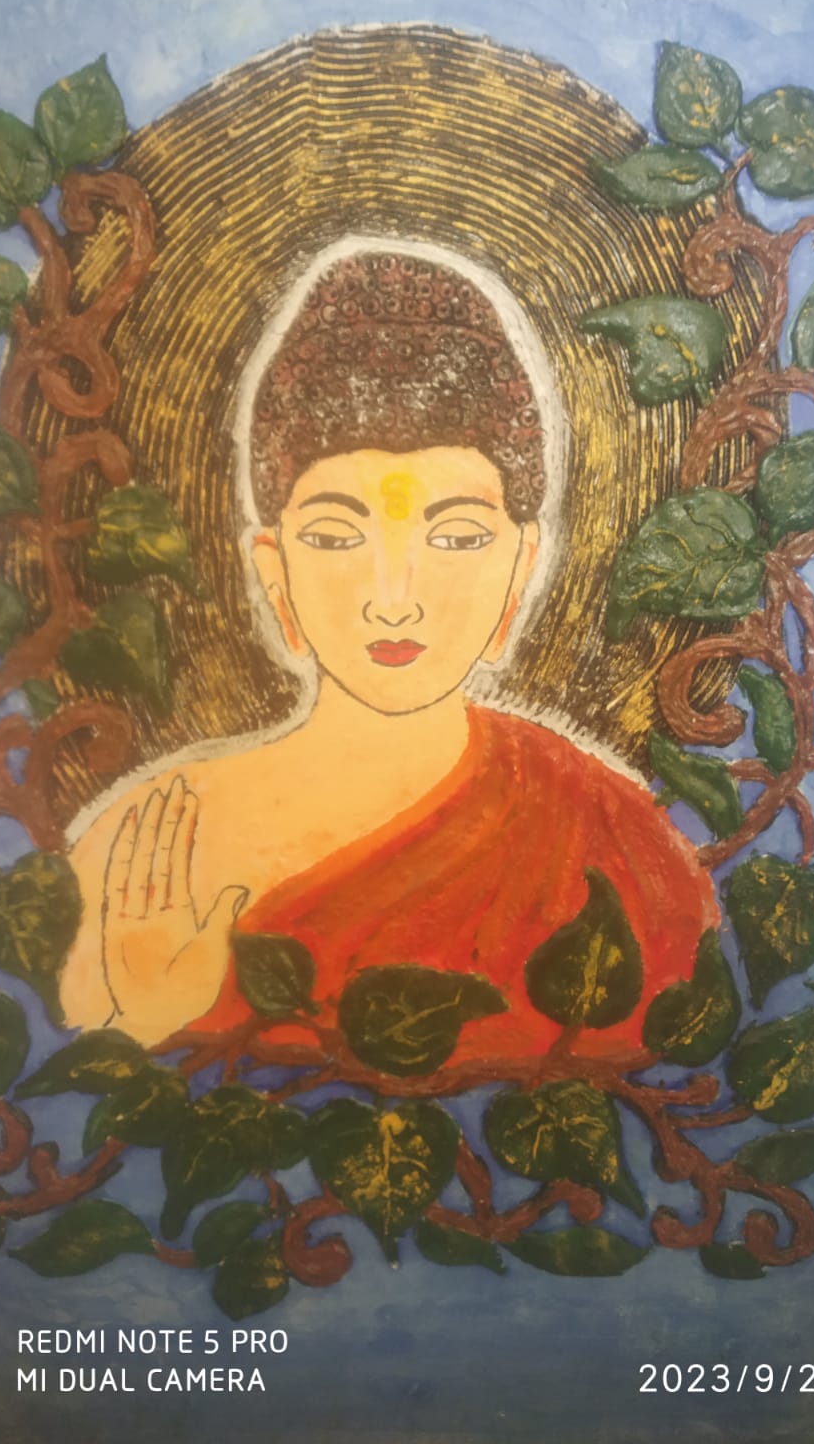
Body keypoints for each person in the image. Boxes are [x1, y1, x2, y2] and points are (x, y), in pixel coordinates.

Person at [58, 244, 717, 1057]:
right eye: (336, 537)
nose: (394, 598)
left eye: (458, 537)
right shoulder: (140, 853)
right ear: (274, 571)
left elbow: (669, 1078)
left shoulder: (617, 846)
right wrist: (149, 1022)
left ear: (522, 567)